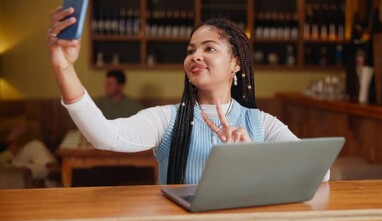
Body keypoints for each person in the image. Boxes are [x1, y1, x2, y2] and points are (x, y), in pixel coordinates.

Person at [47, 6, 329, 184]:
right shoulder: (167, 119)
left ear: (236, 63)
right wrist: (64, 67)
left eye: (209, 48)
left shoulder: (262, 124)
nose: (195, 56)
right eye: (191, 49)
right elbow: (104, 136)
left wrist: (255, 157)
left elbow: (321, 173)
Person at [0, 120, 58, 185]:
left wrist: (13, 136)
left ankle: (50, 166)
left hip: (9, 156)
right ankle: (49, 171)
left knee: (35, 145)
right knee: (42, 170)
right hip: (4, 162)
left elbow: (11, 150)